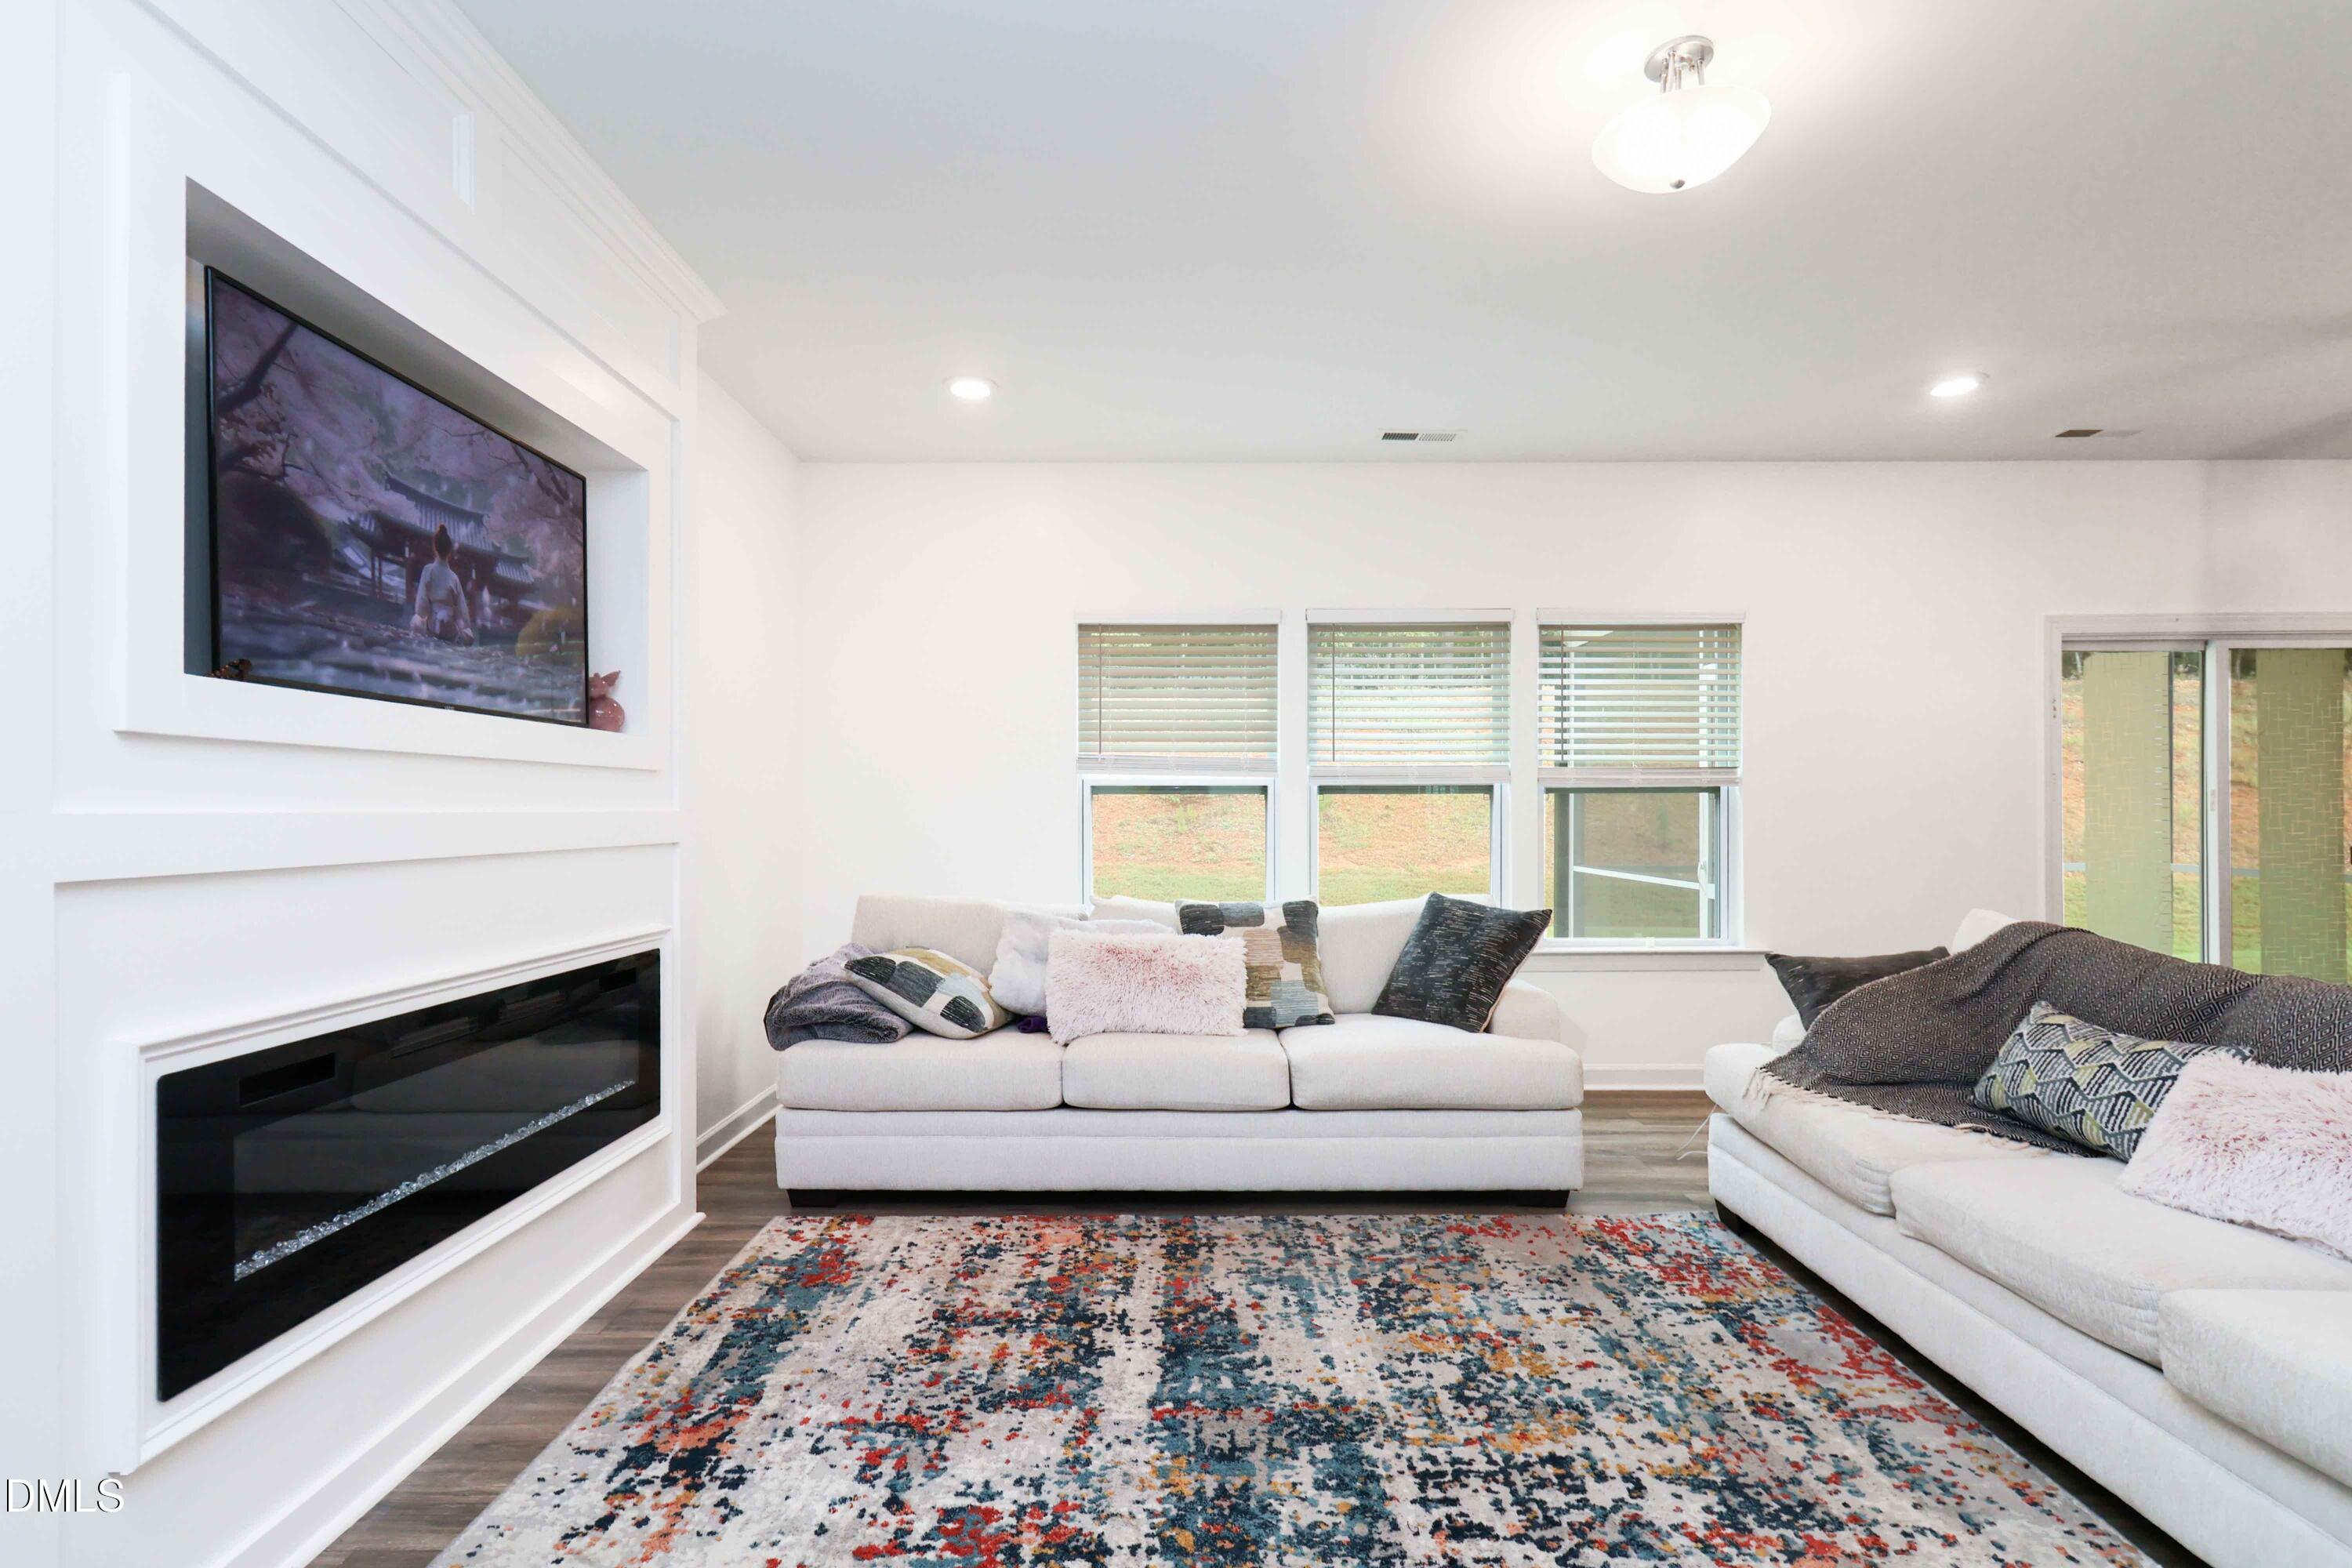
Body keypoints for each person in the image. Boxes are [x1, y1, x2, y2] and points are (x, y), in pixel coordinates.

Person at [409, 524, 477, 645]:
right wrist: (463, 625)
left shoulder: (428, 570)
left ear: (435, 547)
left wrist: (425, 614)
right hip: (450, 629)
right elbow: (463, 612)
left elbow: (422, 608)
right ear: (450, 551)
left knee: (416, 620)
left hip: (432, 625)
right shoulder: (454, 577)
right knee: (468, 634)